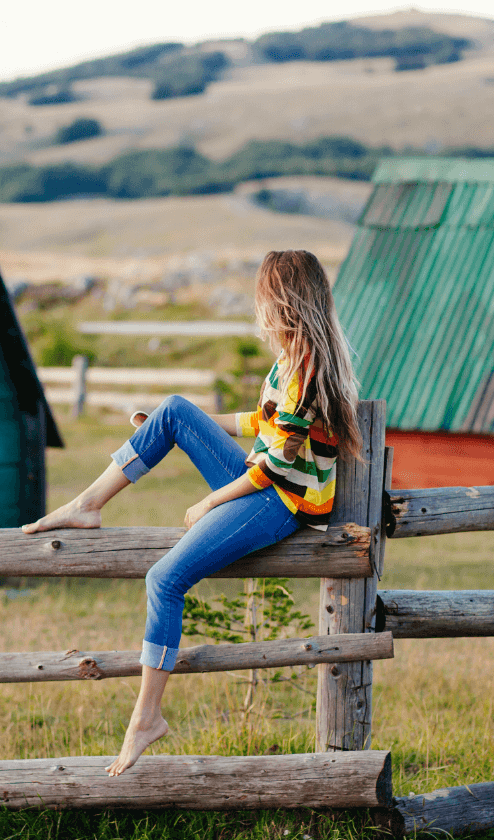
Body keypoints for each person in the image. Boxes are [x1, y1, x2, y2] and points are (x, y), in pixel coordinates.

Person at [21, 249, 362, 776]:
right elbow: (260, 421)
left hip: (281, 503)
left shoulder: (307, 373)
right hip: (264, 486)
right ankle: (87, 504)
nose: (260, 310)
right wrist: (182, 424)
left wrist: (208, 501)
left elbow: (272, 470)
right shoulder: (291, 361)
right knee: (176, 409)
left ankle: (147, 718)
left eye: (264, 298)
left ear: (283, 303)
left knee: (164, 579)